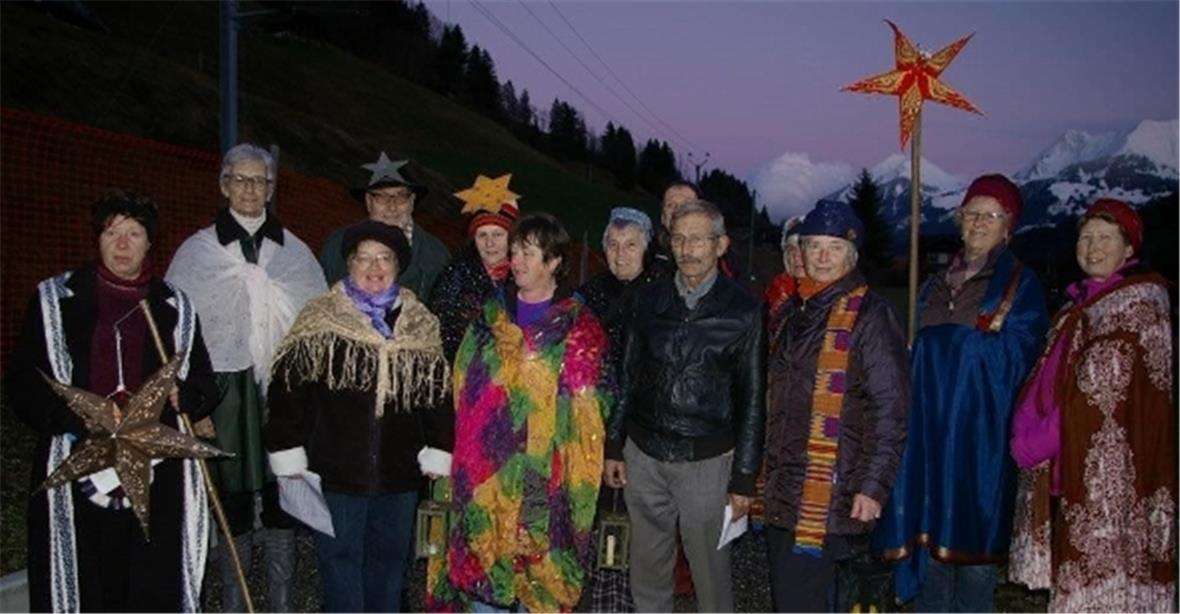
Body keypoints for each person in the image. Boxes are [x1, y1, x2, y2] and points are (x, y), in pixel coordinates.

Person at [9, 192, 220, 611]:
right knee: (90, 577)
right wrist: (74, 419)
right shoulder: (56, 299)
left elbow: (205, 383)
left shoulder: (174, 306)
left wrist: (186, 395)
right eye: (112, 232)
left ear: (148, 243)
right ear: (98, 238)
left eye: (134, 233)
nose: (122, 244)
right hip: (78, 455)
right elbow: (23, 384)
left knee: (150, 576)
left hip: (159, 467)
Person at [875, 174, 1049, 612]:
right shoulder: (932, 285)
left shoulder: (1020, 285)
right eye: (971, 213)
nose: (978, 223)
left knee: (973, 550)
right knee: (930, 537)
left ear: (1008, 227)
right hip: (929, 432)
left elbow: (1022, 354)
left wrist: (951, 347)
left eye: (990, 215)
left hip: (980, 437)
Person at [165, 143, 327, 611]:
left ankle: (280, 598)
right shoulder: (198, 253)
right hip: (224, 396)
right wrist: (192, 409)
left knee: (281, 487)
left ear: (272, 188)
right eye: (241, 179)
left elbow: (315, 326)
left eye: (260, 181)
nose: (250, 189)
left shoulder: (294, 253)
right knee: (231, 495)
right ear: (224, 185)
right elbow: (178, 333)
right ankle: (235, 598)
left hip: (281, 393)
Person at [426, 213, 611, 612]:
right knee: (483, 583)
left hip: (544, 484)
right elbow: (461, 389)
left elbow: (592, 410)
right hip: (484, 480)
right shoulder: (487, 320)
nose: (517, 261)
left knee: (538, 586)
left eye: (528, 253)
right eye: (515, 252)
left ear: (555, 261)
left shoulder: (579, 329)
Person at [264, 220, 452, 612]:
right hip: (337, 474)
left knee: (389, 565)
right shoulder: (320, 318)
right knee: (338, 563)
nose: (374, 267)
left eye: (384, 258)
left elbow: (437, 395)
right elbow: (288, 392)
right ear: (348, 265)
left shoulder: (421, 323)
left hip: (398, 475)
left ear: (398, 266)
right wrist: (287, 448)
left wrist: (439, 447)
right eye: (363, 258)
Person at [1008, 198, 1176, 611]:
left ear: (1129, 250)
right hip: (1069, 468)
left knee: (1107, 591)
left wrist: (1036, 442)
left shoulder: (1138, 307)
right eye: (1085, 238)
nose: (1093, 247)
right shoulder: (1078, 306)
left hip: (1114, 483)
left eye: (1106, 238)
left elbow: (1102, 393)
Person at [604, 199, 765, 612]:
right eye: (678, 239)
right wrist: (613, 444)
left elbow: (752, 399)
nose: (686, 249)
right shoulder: (647, 300)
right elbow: (627, 376)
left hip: (707, 463)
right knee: (647, 567)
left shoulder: (744, 311)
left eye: (697, 239)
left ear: (721, 244)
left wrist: (744, 477)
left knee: (710, 572)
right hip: (644, 454)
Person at [761, 200, 910, 612]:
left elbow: (889, 408)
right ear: (800, 252)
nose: (823, 257)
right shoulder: (791, 313)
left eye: (834, 247)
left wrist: (873, 485)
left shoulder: (871, 317)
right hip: (782, 488)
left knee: (799, 601)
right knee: (793, 600)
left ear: (852, 254)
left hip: (829, 490)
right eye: (814, 246)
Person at [576, 206, 659, 613]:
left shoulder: (663, 295)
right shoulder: (587, 296)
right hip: (590, 427)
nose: (620, 253)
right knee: (595, 527)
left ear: (647, 249)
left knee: (637, 535)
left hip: (644, 431)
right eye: (612, 244)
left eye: (630, 245)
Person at [319, 152, 450, 298]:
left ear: (412, 201)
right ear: (368, 202)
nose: (392, 206)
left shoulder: (436, 255)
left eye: (401, 197)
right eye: (381, 197)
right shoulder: (336, 245)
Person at [428, 173, 519, 361]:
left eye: (498, 235)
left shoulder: (525, 276)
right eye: (482, 235)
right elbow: (439, 327)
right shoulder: (455, 276)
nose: (490, 243)